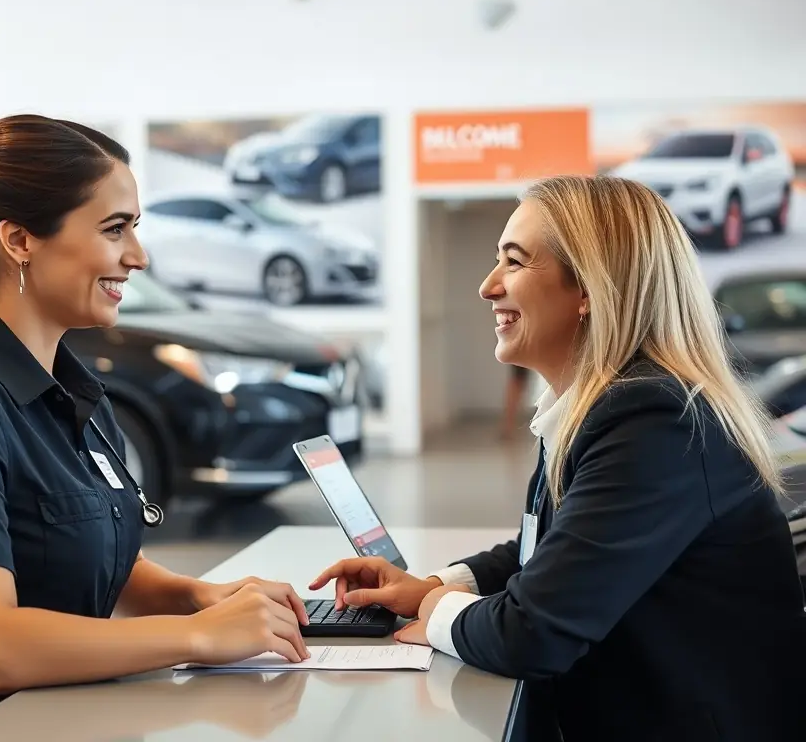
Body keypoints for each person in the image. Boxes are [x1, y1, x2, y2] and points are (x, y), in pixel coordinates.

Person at [0, 112, 312, 742]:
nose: (137, 256)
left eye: (134, 228)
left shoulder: (68, 388)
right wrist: (195, 635)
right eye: (115, 229)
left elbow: (81, 551)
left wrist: (196, 597)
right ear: (20, 240)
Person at [311, 175, 806, 741]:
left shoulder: (654, 421)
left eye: (514, 262)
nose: (488, 286)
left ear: (589, 289)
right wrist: (433, 586)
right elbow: (554, 547)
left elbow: (532, 634)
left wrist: (436, 610)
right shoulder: (608, 406)